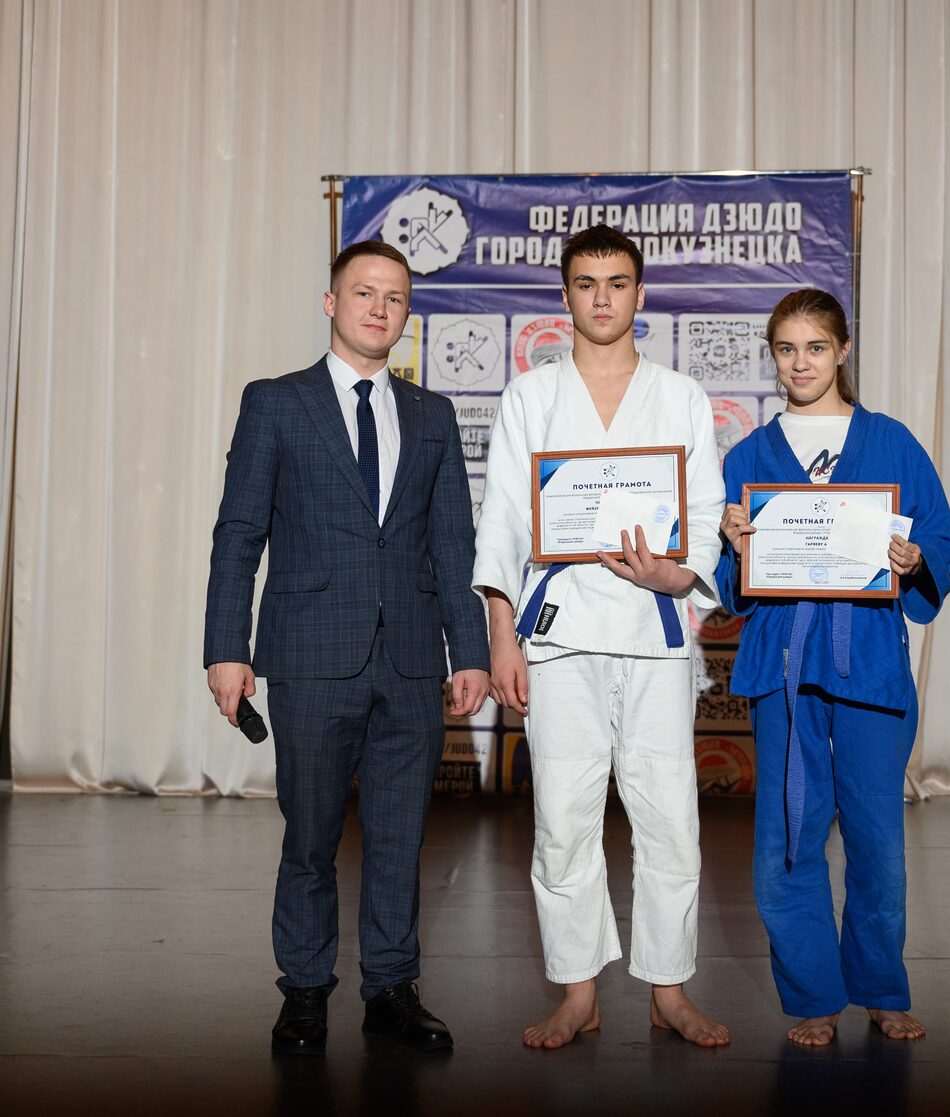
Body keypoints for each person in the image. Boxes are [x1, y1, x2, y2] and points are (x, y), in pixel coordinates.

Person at [203, 240, 491, 1056]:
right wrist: (226, 647)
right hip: (309, 656)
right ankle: (303, 991)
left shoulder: (432, 416)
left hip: (410, 662)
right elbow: (239, 533)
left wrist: (468, 650)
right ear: (331, 302)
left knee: (400, 840)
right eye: (363, 292)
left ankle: (392, 989)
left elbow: (452, 545)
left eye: (394, 297)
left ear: (407, 315)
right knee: (310, 836)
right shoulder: (275, 403)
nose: (378, 308)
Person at [473, 225, 730, 1050]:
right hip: (559, 636)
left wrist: (676, 576)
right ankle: (578, 990)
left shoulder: (681, 396)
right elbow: (503, 520)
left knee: (669, 818)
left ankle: (669, 989)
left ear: (640, 293)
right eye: (586, 284)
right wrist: (502, 638)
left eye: (618, 282)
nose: (603, 298)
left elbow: (703, 517)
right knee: (563, 818)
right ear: (565, 296)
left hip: (654, 630)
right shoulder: (530, 396)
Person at [715, 288, 950, 1045]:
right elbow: (731, 590)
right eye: (786, 349)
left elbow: (939, 536)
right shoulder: (750, 456)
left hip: (870, 661)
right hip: (784, 661)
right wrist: (735, 544)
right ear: (772, 355)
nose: (801, 363)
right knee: (788, 835)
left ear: (843, 350)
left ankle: (880, 986)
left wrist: (914, 558)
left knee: (877, 837)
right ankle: (813, 994)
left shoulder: (891, 442)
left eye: (816, 347)